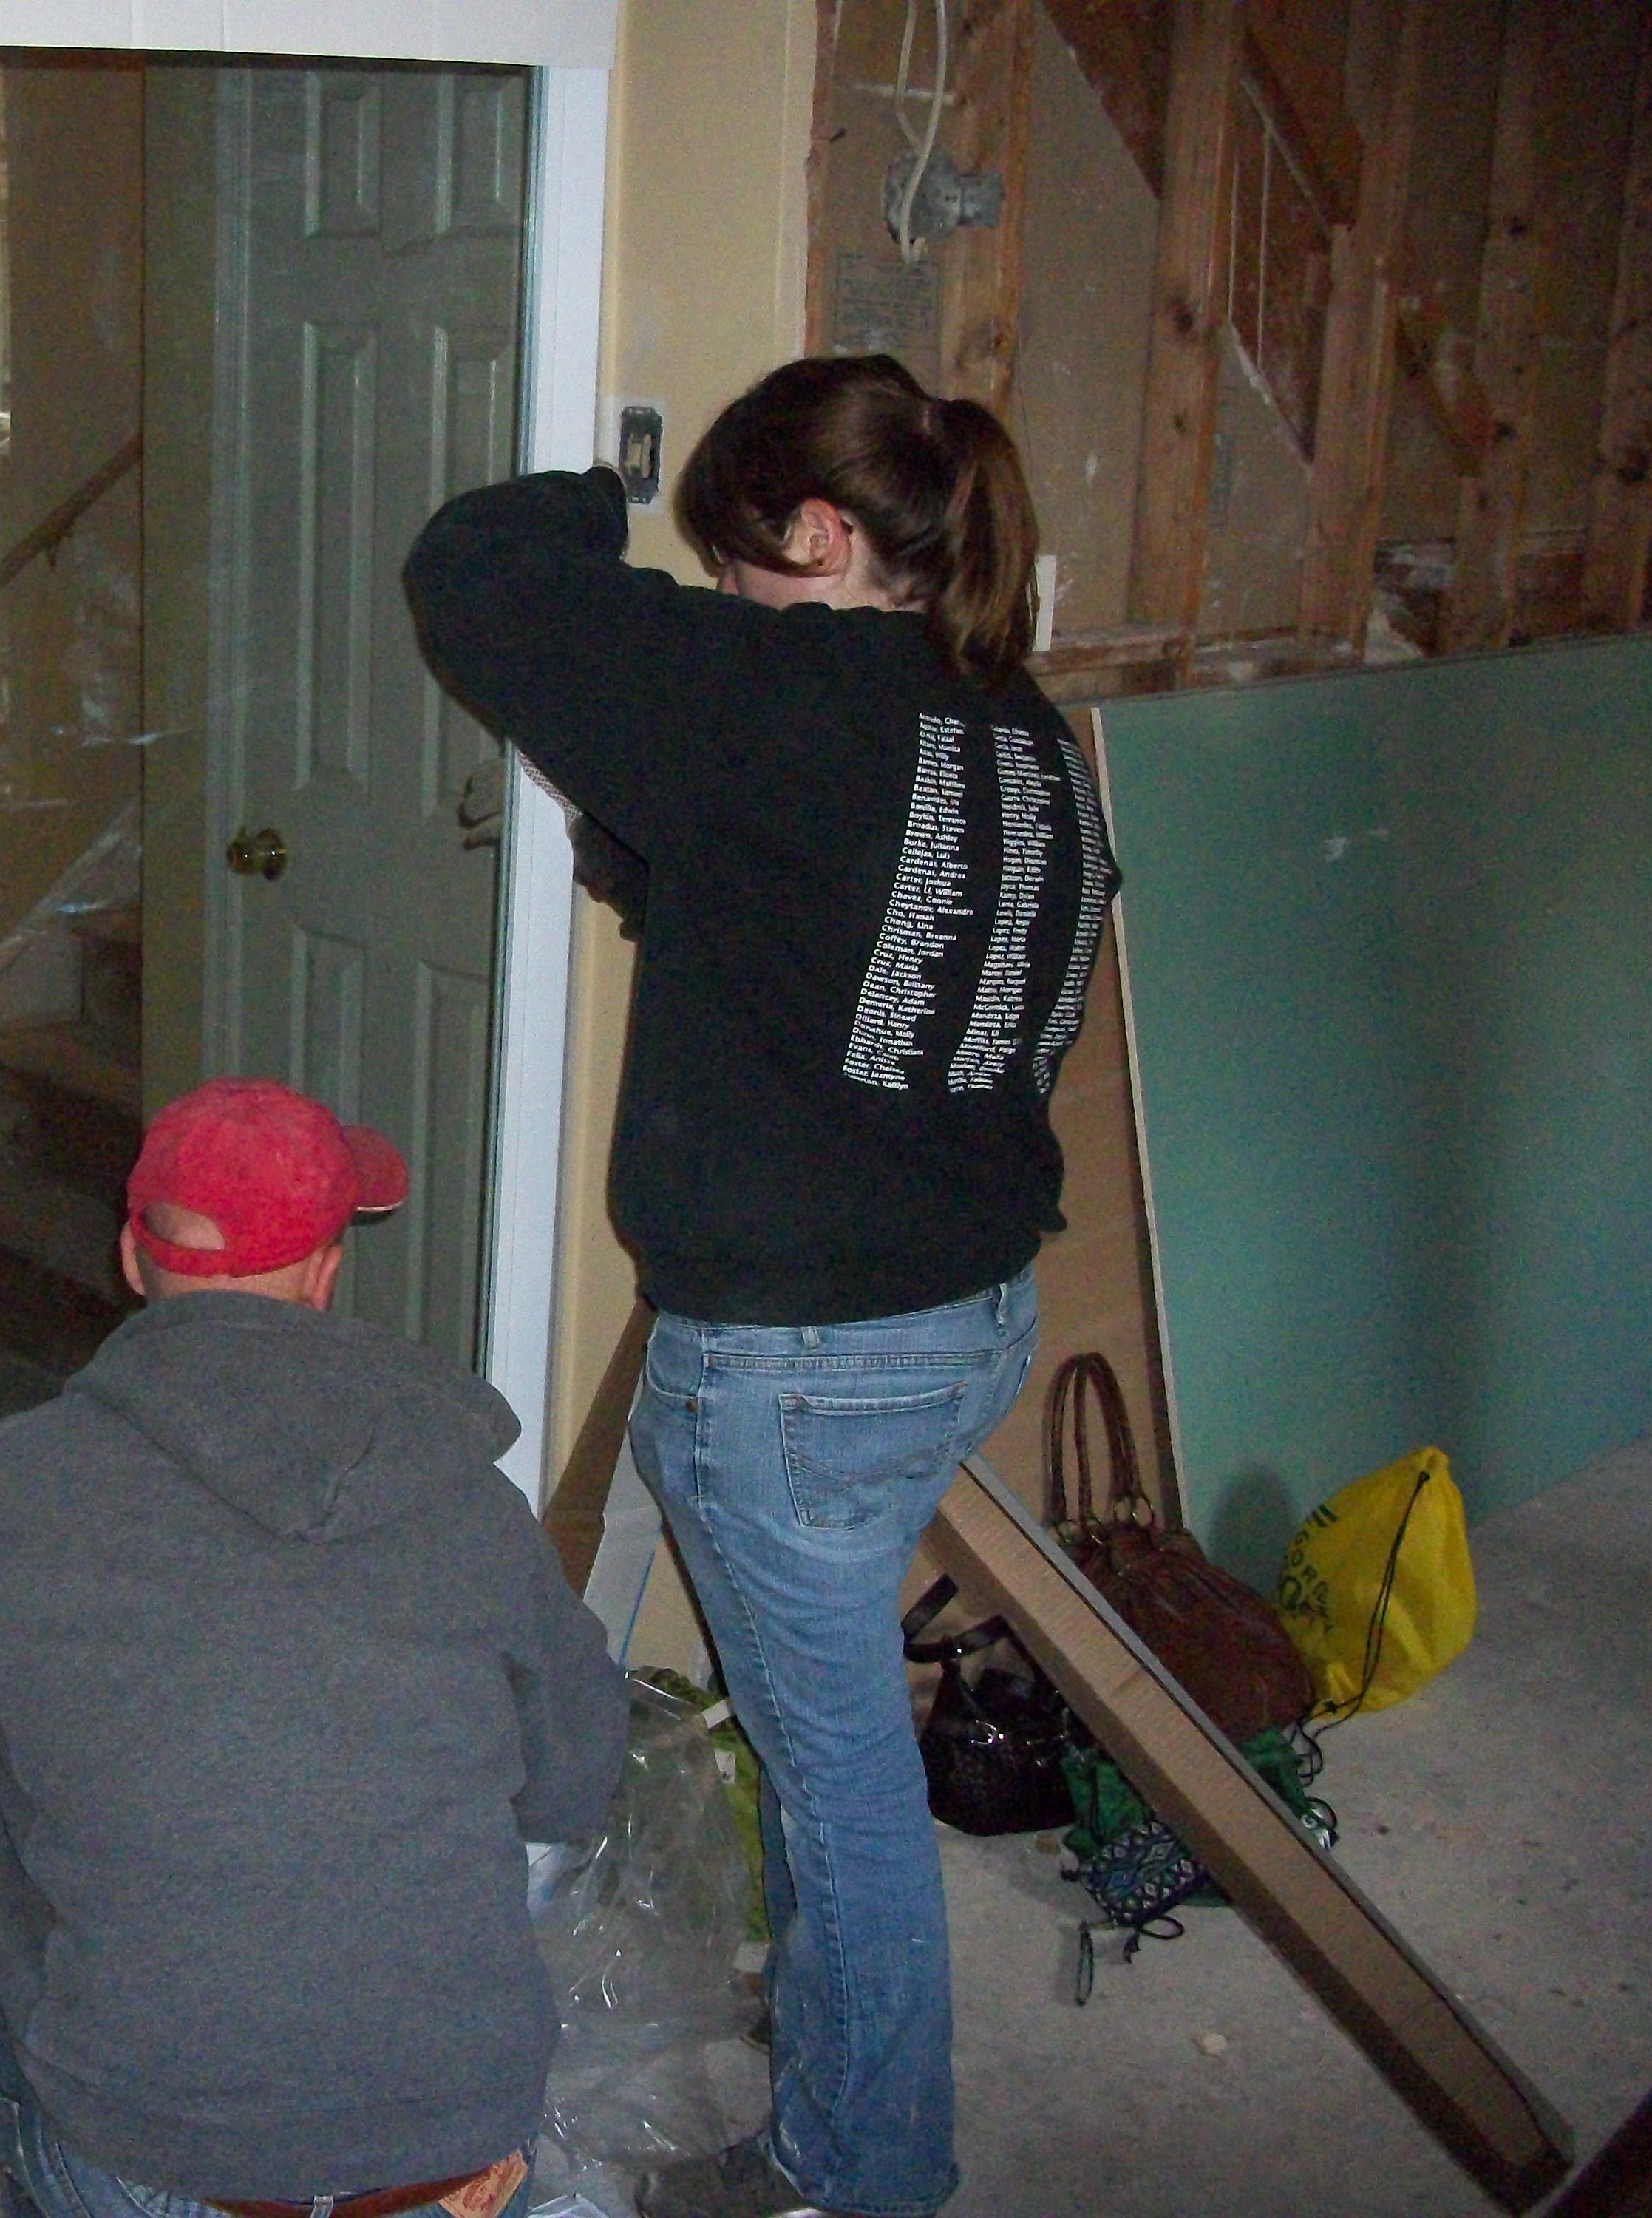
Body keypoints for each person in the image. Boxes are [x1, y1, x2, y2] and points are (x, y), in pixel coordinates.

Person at [401, 354, 1119, 2218]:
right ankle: (837, 2109)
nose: (723, 606)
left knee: (841, 1798)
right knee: (830, 1758)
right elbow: (837, 928)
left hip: (799, 1367)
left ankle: (857, 2175)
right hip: (961, 1319)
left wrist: (600, 494)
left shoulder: (784, 694)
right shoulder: (1018, 728)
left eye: (738, 566)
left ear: (814, 534)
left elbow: (470, 571)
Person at [0, 1076, 629, 2218]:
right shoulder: (469, 1499)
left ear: (133, 1260)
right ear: (326, 1270)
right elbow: (572, 1786)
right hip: (462, 2157)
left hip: (152, 2164)